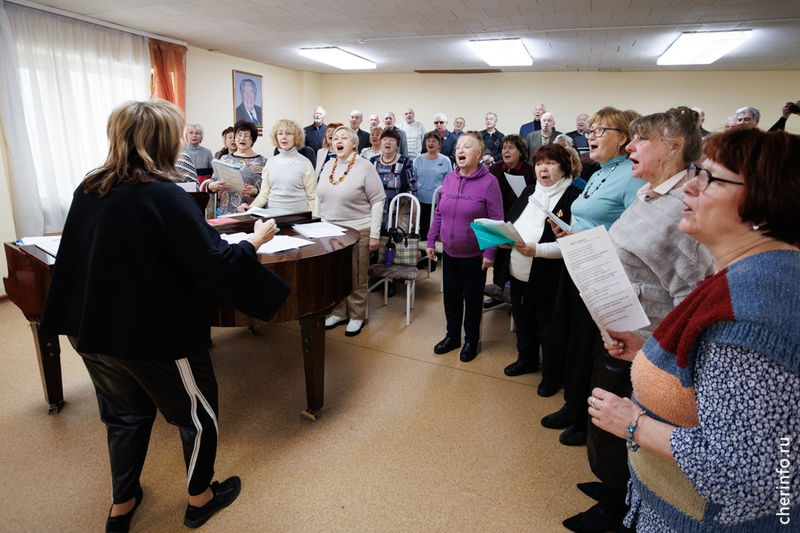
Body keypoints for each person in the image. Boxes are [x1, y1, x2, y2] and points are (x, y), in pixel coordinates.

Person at [38, 99, 291, 533]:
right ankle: (200, 498)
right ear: (164, 143)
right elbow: (215, 266)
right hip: (152, 335)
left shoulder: (90, 188)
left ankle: (123, 503)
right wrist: (255, 241)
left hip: (91, 329)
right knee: (196, 413)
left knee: (122, 415)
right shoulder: (164, 195)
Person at [590, 128, 800, 533]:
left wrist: (634, 424)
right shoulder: (751, 276)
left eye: (710, 178)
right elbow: (719, 380)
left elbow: (748, 473)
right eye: (696, 173)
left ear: (766, 203)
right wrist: (647, 352)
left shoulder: (755, 311)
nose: (689, 186)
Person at [564, 108, 715, 533]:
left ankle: (617, 508)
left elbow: (690, 296)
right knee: (608, 426)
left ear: (674, 147)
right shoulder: (649, 193)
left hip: (649, 346)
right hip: (622, 331)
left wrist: (659, 352)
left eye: (642, 140)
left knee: (627, 432)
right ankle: (613, 489)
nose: (630, 146)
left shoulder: (682, 205)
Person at [539, 107, 646, 448]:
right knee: (572, 338)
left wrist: (583, 238)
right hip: (578, 262)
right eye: (591, 130)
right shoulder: (599, 171)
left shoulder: (631, 175)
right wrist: (568, 232)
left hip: (603, 272)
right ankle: (572, 406)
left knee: (590, 347)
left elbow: (633, 235)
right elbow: (590, 219)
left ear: (623, 137)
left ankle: (587, 420)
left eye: (601, 130)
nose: (591, 136)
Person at [499, 144, 581, 377]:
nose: (543, 169)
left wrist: (537, 249)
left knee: (549, 328)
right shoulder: (529, 191)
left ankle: (552, 375)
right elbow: (512, 222)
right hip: (518, 271)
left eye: (550, 163)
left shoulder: (573, 197)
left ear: (564, 168)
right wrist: (504, 239)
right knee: (523, 320)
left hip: (549, 277)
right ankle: (526, 360)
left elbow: (574, 243)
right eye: (539, 164)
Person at [426, 132, 503, 362]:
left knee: (472, 299)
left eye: (467, 146)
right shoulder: (450, 178)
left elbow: (496, 220)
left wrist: (490, 252)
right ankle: (452, 337)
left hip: (474, 255)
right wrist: (431, 240)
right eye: (458, 146)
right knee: (451, 298)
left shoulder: (489, 182)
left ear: (478, 153)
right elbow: (439, 212)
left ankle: (471, 340)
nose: (460, 150)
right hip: (450, 252)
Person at [319, 126, 386, 337]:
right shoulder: (328, 165)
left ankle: (357, 315)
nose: (338, 140)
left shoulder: (365, 167)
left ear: (354, 143)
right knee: (334, 274)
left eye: (344, 137)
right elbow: (318, 197)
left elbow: (378, 200)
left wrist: (375, 234)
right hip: (328, 229)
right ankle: (338, 313)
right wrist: (316, 225)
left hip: (357, 230)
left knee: (356, 274)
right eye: (335, 138)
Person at [484, 134, 535, 310]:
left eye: (511, 147)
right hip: (499, 218)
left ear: (521, 151)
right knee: (499, 256)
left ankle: (516, 298)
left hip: (521, 220)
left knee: (515, 259)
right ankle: (498, 293)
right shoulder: (496, 168)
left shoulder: (529, 170)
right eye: (504, 147)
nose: (506, 150)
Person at [240, 119, 316, 213]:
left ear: (296, 137)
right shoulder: (270, 162)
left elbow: (312, 197)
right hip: (272, 216)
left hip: (298, 217)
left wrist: (310, 217)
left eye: (288, 133)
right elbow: (264, 195)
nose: (283, 137)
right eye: (280, 133)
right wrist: (250, 208)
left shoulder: (305, 163)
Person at [201, 120, 263, 216]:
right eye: (239, 135)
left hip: (251, 213)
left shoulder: (262, 161)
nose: (242, 138)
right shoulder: (225, 158)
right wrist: (213, 185)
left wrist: (255, 191)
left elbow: (267, 192)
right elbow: (212, 181)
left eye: (246, 136)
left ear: (252, 140)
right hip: (226, 213)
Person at [370, 128, 416, 229]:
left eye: (392, 140)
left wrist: (415, 219)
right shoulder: (373, 161)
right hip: (376, 210)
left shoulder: (405, 162)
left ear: (397, 145)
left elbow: (413, 190)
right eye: (384, 139)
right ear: (380, 143)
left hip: (400, 212)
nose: (387, 142)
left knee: (398, 238)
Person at [413, 130, 452, 243]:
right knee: (423, 228)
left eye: (434, 141)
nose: (430, 143)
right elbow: (413, 180)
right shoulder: (418, 160)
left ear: (439, 144)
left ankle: (435, 252)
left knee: (437, 230)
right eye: (428, 141)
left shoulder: (445, 160)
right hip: (420, 201)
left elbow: (449, 182)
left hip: (438, 202)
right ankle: (424, 251)